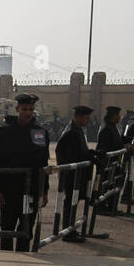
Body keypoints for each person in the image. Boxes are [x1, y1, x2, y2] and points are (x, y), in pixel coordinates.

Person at [0, 92, 49, 251]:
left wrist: (44, 190)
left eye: (31, 109)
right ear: (17, 109)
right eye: (24, 109)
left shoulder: (39, 132)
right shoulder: (4, 132)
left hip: (31, 189)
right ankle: (6, 261)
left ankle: (23, 261)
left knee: (26, 230)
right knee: (7, 230)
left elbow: (43, 163)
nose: (28, 113)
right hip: (9, 190)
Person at [54, 104, 93, 242]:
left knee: (73, 201)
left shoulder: (78, 130)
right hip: (71, 175)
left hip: (75, 174)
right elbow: (72, 156)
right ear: (78, 117)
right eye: (85, 117)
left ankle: (70, 229)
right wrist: (89, 157)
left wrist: (90, 155)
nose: (87, 120)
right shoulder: (71, 132)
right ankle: (67, 231)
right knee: (70, 201)